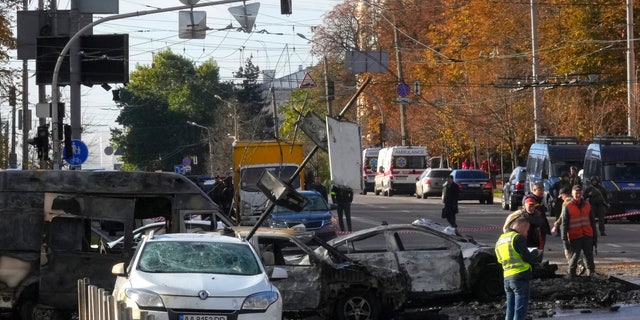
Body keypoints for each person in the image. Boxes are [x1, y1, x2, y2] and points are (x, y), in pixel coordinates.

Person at [495, 216, 540, 320]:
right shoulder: (517, 238)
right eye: (527, 230)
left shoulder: (500, 240)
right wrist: (534, 254)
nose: (527, 234)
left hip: (507, 277)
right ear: (522, 227)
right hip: (520, 276)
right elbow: (526, 257)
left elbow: (499, 260)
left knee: (510, 309)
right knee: (520, 309)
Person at [561, 184, 597, 277]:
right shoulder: (568, 206)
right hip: (575, 236)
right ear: (572, 194)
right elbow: (564, 224)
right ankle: (571, 276)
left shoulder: (587, 205)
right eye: (576, 193)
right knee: (574, 258)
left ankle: (591, 275)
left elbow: (592, 222)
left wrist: (595, 237)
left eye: (579, 193)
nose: (578, 195)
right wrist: (564, 239)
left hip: (587, 235)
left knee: (589, 258)